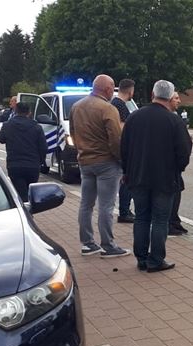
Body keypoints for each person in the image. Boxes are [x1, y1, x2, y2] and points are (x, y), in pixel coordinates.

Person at [121, 80, 191, 272]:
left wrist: (127, 171)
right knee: (160, 219)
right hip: (165, 178)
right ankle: (156, 259)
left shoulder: (134, 117)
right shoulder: (174, 120)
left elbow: (124, 148)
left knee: (142, 217)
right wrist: (178, 168)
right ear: (170, 97)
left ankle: (141, 258)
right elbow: (184, 151)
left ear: (153, 94)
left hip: (138, 176)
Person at [70, 74, 130, 258]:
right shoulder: (108, 109)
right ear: (107, 89)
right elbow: (115, 139)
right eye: (113, 88)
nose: (113, 92)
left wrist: (81, 151)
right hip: (106, 163)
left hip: (85, 161)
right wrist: (122, 161)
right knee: (106, 205)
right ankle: (108, 245)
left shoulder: (76, 107)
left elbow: (73, 133)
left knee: (86, 204)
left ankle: (87, 243)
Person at [0, 102, 47, 202]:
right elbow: (43, 147)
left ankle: (24, 213)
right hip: (32, 165)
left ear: (15, 111)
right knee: (31, 193)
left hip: (15, 165)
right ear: (29, 112)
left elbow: (1, 139)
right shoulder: (37, 127)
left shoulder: (8, 125)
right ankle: (28, 212)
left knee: (19, 194)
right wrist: (40, 162)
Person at [111, 78, 136, 224]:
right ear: (130, 90)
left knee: (125, 180)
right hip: (124, 148)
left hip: (120, 148)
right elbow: (121, 128)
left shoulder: (114, 103)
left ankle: (125, 210)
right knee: (127, 180)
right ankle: (124, 212)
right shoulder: (119, 105)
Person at [168, 92, 189, 236]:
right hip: (170, 165)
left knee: (177, 191)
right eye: (176, 98)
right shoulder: (169, 119)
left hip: (175, 166)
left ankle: (174, 220)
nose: (179, 101)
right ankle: (170, 223)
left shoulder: (175, 117)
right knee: (172, 194)